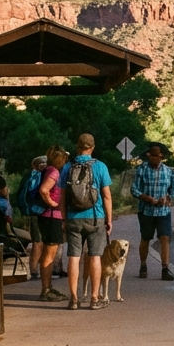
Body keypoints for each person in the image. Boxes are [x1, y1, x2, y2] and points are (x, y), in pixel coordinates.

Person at [64, 133, 113, 310]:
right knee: (95, 257)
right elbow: (106, 196)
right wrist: (109, 219)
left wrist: (64, 218)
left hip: (73, 218)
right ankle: (93, 298)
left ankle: (74, 299)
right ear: (92, 148)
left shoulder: (68, 167)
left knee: (74, 257)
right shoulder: (100, 167)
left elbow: (63, 196)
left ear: (78, 146)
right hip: (95, 217)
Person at [131, 142, 174, 281]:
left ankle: (165, 269)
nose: (154, 159)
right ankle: (143, 265)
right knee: (146, 238)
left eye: (157, 156)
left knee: (165, 238)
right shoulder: (141, 170)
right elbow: (134, 189)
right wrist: (146, 198)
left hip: (163, 211)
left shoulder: (168, 171)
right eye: (152, 156)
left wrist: (169, 197)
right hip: (146, 211)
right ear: (149, 156)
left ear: (161, 157)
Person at [34, 147, 69, 302]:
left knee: (48, 252)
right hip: (51, 216)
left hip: (46, 216)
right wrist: (52, 203)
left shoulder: (47, 170)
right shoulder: (54, 172)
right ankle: (46, 289)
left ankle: (47, 287)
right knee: (49, 254)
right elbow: (44, 189)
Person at [0, 176, 32, 258]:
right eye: (4, 188)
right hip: (3, 233)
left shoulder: (1, 201)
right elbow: (7, 219)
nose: (7, 189)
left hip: (8, 229)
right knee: (24, 241)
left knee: (27, 237)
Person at [23, 156, 47, 279]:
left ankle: (34, 269)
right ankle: (33, 271)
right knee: (38, 242)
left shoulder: (30, 176)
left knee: (38, 242)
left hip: (34, 212)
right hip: (39, 211)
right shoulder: (39, 176)